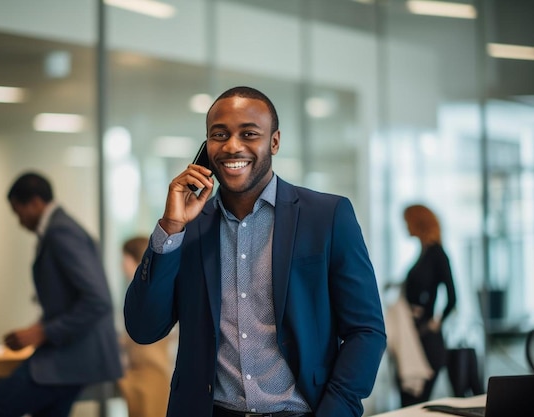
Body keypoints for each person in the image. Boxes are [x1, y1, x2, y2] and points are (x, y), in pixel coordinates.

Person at [124, 86, 386, 417]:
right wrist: (171, 228)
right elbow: (143, 328)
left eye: (249, 133)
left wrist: (337, 410)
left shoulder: (327, 216)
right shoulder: (187, 227)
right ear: (206, 147)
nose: (232, 146)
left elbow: (366, 331)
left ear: (274, 142)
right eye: (219, 135)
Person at [0, 172, 122, 417]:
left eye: (17, 211)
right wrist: (38, 328)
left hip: (69, 358)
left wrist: (42, 332)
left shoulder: (60, 232)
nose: (18, 221)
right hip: (72, 355)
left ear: (34, 203)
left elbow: (98, 300)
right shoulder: (62, 228)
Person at [397, 204, 457, 406]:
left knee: (415, 404)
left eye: (407, 222)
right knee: (408, 403)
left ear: (418, 223)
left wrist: (435, 323)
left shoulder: (437, 254)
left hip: (427, 341)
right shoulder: (422, 254)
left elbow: (452, 298)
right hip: (411, 337)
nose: (405, 226)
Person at [117, 236, 173, 417]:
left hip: (152, 377)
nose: (121, 265)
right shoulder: (134, 295)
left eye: (123, 258)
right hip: (137, 376)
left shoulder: (150, 295)